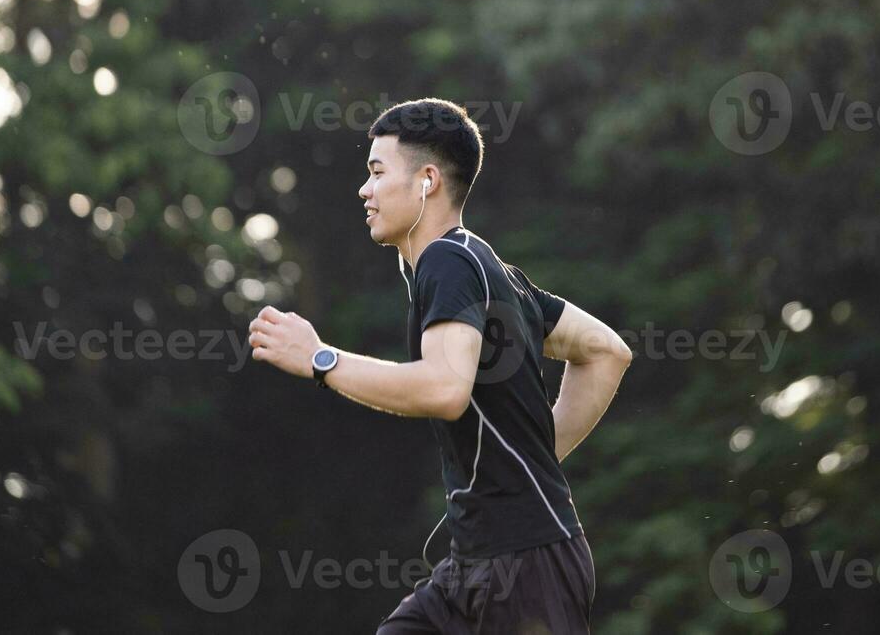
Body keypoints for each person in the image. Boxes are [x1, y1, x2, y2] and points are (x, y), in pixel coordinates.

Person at [248, 97, 633, 633]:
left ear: (427, 181)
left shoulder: (447, 261)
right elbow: (606, 351)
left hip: (525, 565)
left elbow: (444, 389)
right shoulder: (494, 269)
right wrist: (533, 464)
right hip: (476, 564)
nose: (365, 189)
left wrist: (319, 358)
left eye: (377, 172)